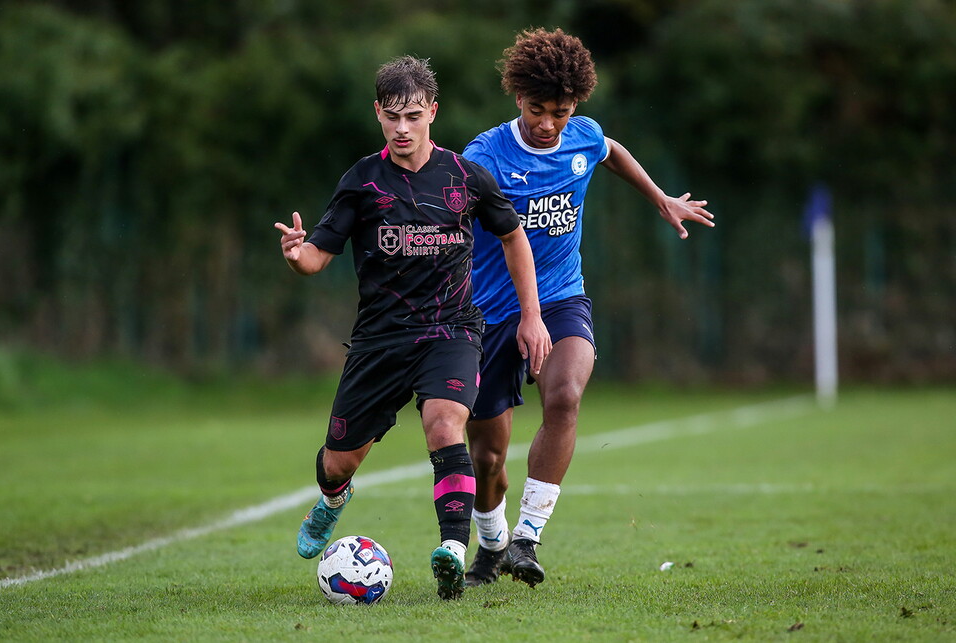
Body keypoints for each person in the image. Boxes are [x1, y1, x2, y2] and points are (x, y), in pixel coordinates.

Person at [274, 56, 551, 600]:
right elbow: (315, 260)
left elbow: (514, 236)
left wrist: (532, 314)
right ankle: (332, 501)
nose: (403, 128)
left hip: (451, 331)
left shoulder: (465, 177)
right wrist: (293, 254)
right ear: (378, 113)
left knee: (445, 425)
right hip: (380, 340)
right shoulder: (361, 182)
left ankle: (452, 550)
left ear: (433, 113)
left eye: (414, 116)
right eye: (393, 117)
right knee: (336, 464)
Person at [462, 28, 715, 588]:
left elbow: (611, 151)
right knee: (486, 461)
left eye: (561, 111)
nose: (549, 124)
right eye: (537, 110)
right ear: (516, 98)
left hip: (560, 298)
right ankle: (490, 544)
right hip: (488, 314)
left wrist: (661, 198)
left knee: (566, 392)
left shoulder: (583, 136)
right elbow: (480, 231)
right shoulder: (484, 156)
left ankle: (527, 537)